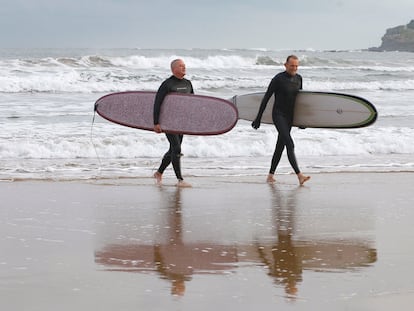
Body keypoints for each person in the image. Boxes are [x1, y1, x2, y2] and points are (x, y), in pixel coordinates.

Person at [251, 55, 310, 185]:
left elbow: (300, 101)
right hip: (279, 115)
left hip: (290, 117)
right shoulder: (278, 79)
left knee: (280, 146)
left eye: (296, 66)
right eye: (292, 65)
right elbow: (266, 98)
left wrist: (302, 121)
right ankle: (299, 175)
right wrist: (258, 118)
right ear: (285, 65)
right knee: (290, 144)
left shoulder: (299, 79)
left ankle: (270, 176)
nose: (294, 68)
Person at [153, 59, 193, 187]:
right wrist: (156, 123)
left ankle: (159, 172)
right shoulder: (167, 84)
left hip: (181, 122)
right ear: (173, 69)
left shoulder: (188, 84)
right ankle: (180, 180)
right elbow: (157, 103)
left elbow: (193, 102)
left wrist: (193, 120)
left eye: (184, 66)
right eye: (181, 66)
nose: (184, 68)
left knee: (173, 150)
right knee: (177, 148)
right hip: (168, 122)